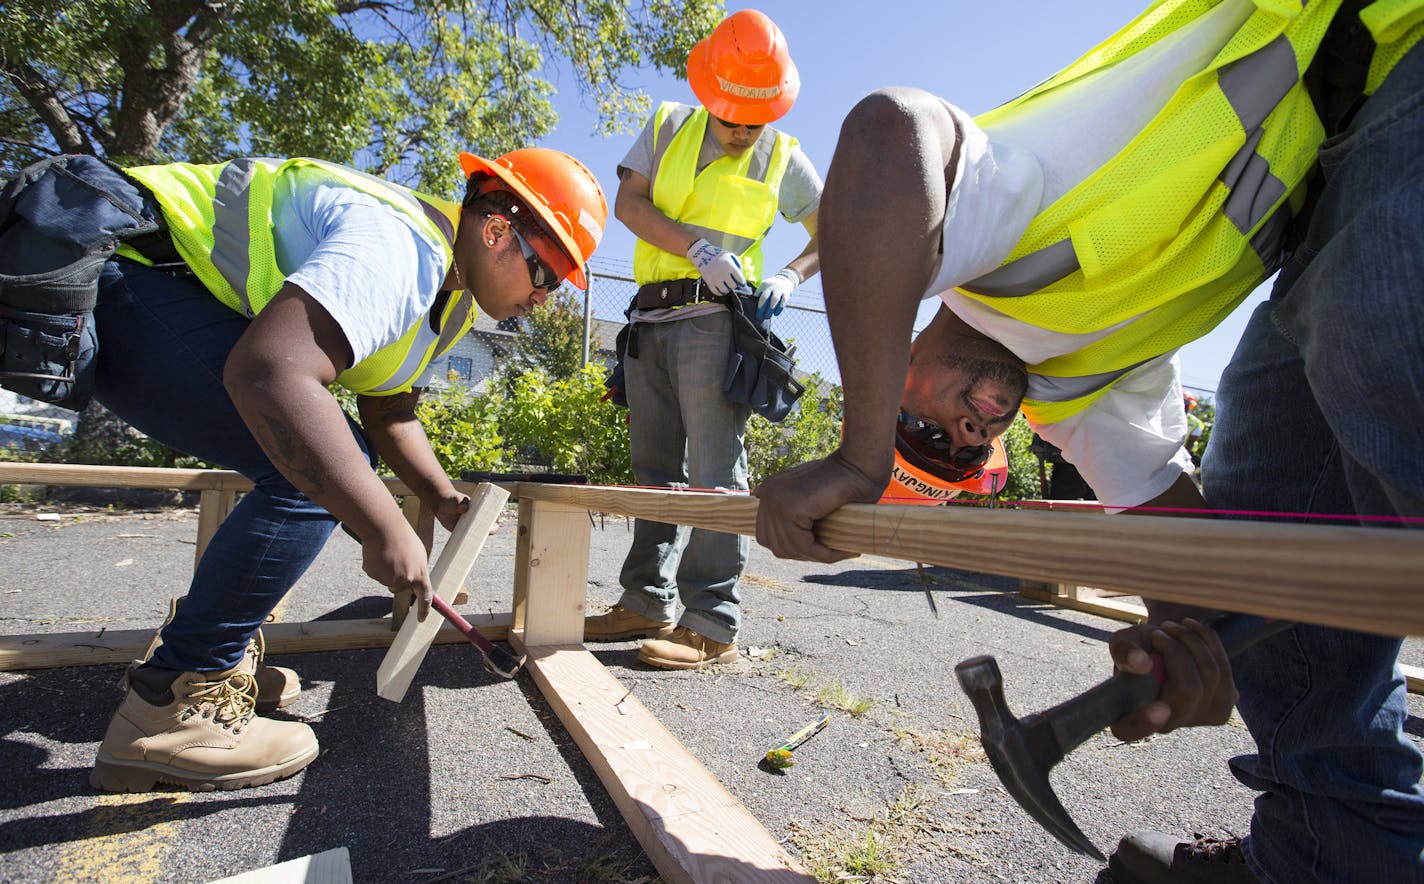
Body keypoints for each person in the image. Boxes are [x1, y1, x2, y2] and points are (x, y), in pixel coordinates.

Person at [753, 0, 1424, 880]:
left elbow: (889, 129)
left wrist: (860, 455)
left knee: (1377, 326)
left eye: (923, 429)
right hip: (1327, 185)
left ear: (903, 352)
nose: (967, 430)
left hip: (1385, 47)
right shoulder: (1081, 395)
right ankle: (1335, 851)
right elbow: (1198, 556)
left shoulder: (985, 240)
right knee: (1265, 491)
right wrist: (1188, 646)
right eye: (964, 449)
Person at [88, 147, 606, 792]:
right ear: (498, 231)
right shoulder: (402, 248)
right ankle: (172, 704)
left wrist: (441, 497)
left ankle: (210, 658)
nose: (545, 299)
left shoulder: (452, 302)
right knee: (310, 473)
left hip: (161, 296)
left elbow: (389, 411)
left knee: (324, 464)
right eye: (548, 274)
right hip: (123, 274)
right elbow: (271, 372)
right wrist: (385, 525)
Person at [582, 9, 823, 670]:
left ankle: (712, 621)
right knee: (653, 472)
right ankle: (644, 601)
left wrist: (789, 273)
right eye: (731, 120)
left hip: (718, 321)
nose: (744, 132)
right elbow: (629, 206)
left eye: (756, 121)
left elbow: (828, 228)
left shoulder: (785, 156)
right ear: (708, 96)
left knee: (717, 472)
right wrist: (694, 245)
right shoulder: (665, 126)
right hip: (649, 321)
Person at [1182, 392, 1207, 468]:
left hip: (1182, 453)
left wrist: (1183, 458)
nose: (1184, 406)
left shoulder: (1195, 423)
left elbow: (1190, 442)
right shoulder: (1167, 415)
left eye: (1186, 404)